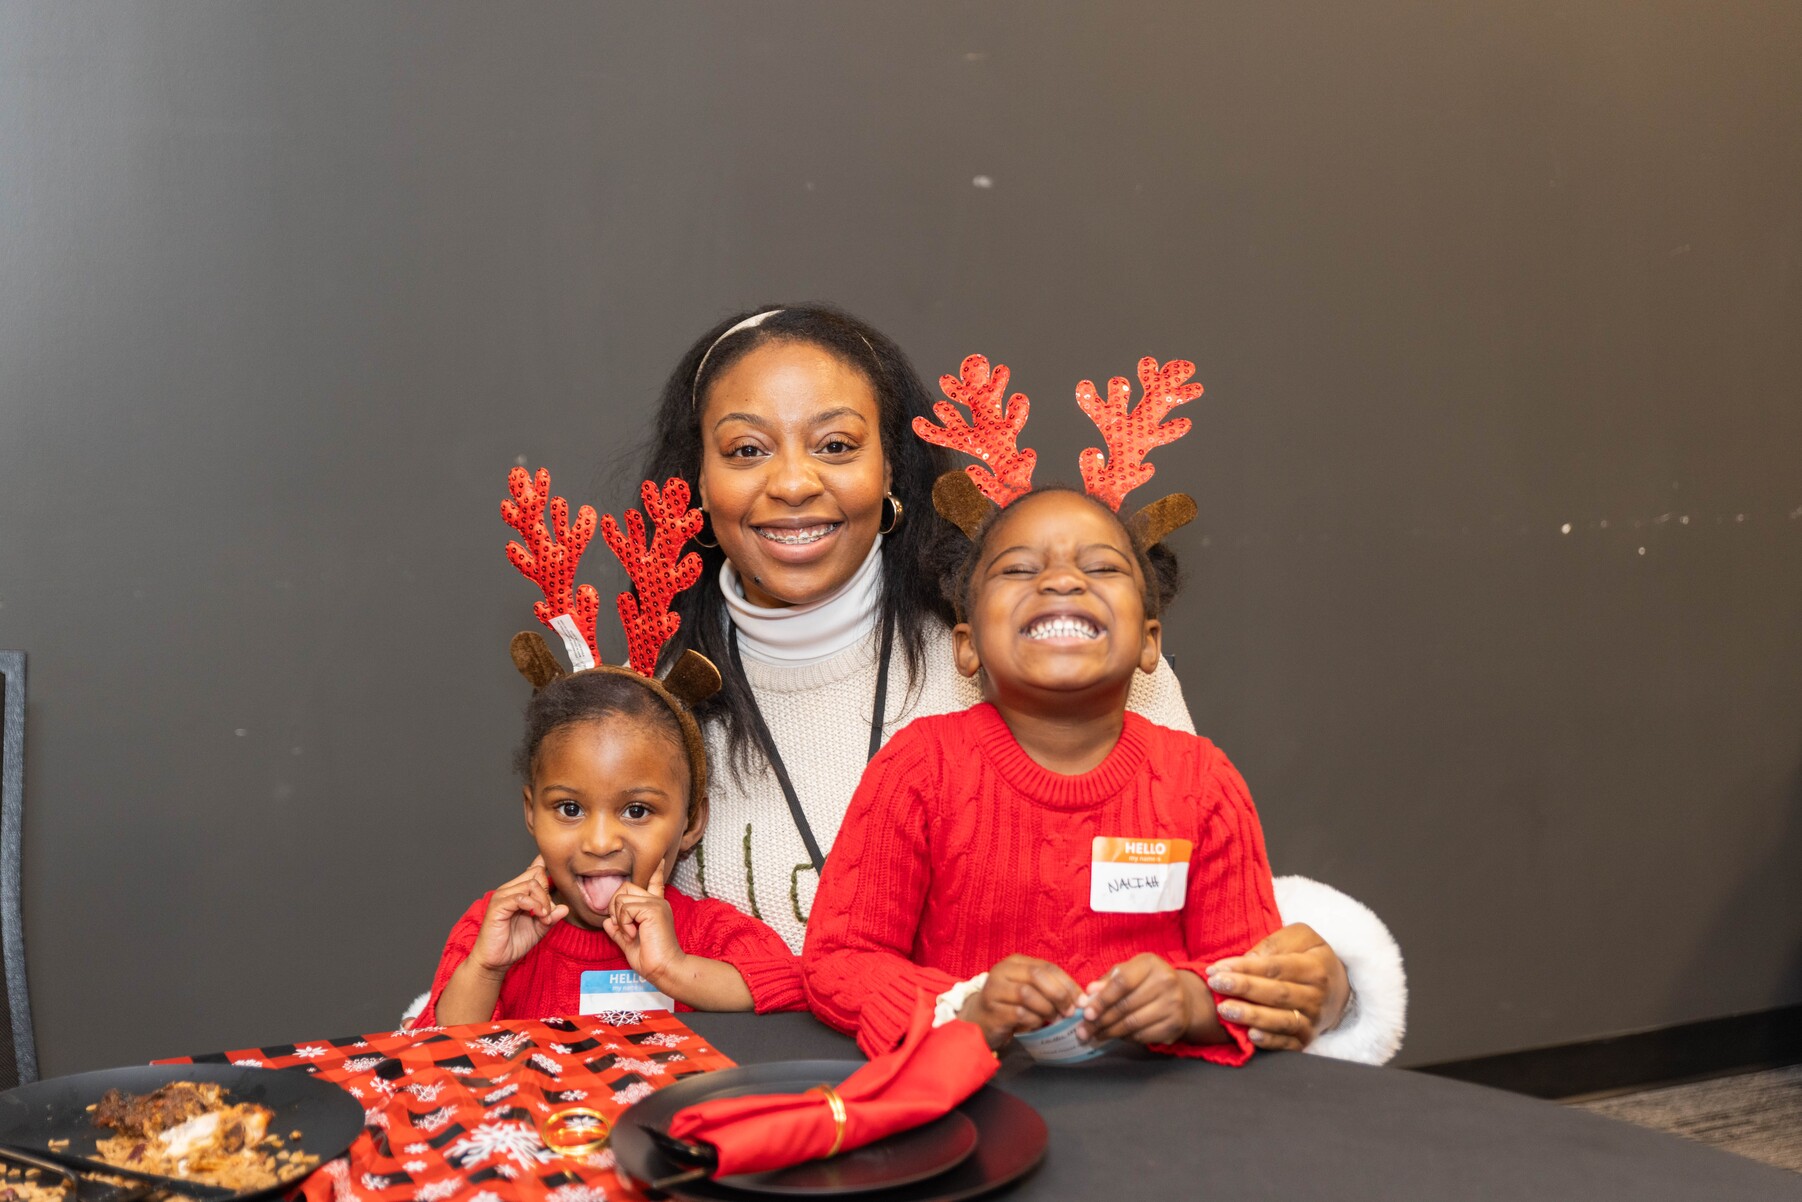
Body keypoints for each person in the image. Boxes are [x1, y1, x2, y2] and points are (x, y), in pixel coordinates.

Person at [634, 305, 1406, 1063]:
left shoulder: (1048, 646)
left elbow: (1208, 910)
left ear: (892, 469)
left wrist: (1322, 982)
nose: (794, 482)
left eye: (836, 444)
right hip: (766, 1110)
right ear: (695, 481)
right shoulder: (655, 704)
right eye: (745, 451)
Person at [803, 486, 1279, 1060]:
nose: (1061, 581)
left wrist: (1191, 1001)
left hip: (1160, 1114)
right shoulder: (919, 767)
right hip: (973, 1106)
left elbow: (1256, 981)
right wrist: (966, 1004)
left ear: (1150, 643)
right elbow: (839, 961)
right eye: (1019, 569)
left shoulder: (1203, 781)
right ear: (968, 646)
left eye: (1101, 566)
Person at [420, 668, 805, 1025]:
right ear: (531, 811)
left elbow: (797, 991)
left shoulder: (709, 935)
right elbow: (434, 1056)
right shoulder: (494, 927)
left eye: (637, 811)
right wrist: (487, 969)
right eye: (570, 809)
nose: (601, 842)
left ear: (691, 821)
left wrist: (673, 967)